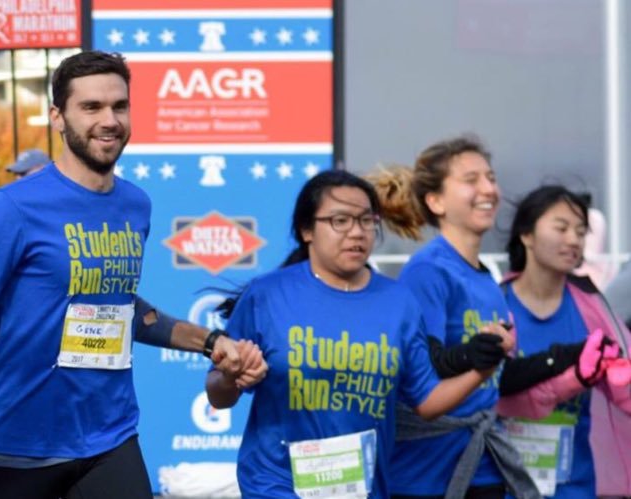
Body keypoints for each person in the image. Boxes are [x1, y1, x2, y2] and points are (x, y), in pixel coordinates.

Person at [0, 50, 259, 498]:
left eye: (119, 106)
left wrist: (210, 341)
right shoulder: (13, 206)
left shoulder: (135, 205)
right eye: (91, 107)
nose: (109, 120)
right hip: (23, 443)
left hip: (109, 436)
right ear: (58, 117)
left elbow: (120, 306)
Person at [206, 170, 501, 498]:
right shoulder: (267, 295)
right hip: (276, 485)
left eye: (366, 221)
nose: (356, 232)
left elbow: (426, 402)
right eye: (340, 221)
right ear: (307, 230)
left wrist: (483, 369)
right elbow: (218, 394)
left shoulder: (399, 302)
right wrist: (229, 377)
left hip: (362, 488)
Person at [370, 135, 536, 498]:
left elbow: (496, 375)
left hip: (483, 464)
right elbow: (424, 366)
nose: (488, 189)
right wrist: (477, 355)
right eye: (471, 180)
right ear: (436, 201)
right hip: (429, 475)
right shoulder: (428, 270)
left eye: (491, 178)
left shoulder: (486, 277)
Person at [492, 186, 631, 497]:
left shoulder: (593, 307)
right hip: (502, 482)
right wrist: (572, 375)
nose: (573, 240)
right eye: (561, 227)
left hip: (574, 484)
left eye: (581, 232)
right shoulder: (495, 304)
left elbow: (625, 384)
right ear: (526, 234)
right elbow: (489, 395)